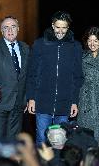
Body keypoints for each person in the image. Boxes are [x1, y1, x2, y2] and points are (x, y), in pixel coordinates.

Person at [26, 11, 83, 146]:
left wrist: (74, 101)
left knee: (60, 143)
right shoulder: (40, 44)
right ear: (52, 25)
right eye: (58, 27)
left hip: (64, 104)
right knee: (41, 140)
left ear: (68, 27)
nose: (61, 31)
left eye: (64, 27)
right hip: (42, 102)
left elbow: (78, 77)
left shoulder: (75, 47)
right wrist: (31, 98)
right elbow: (32, 73)